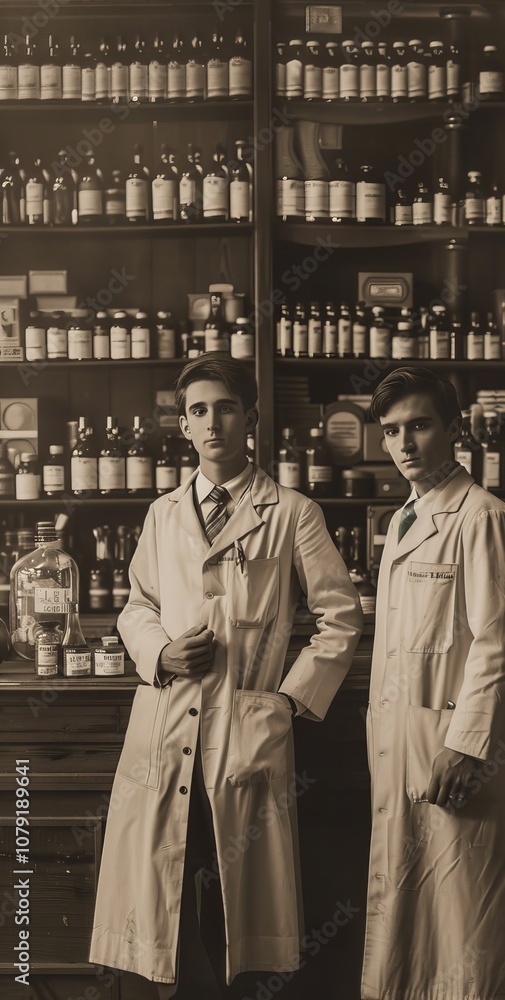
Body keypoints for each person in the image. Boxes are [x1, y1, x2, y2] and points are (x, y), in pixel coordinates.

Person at [89, 353, 363, 998]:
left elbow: (341, 617)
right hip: (167, 718)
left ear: (251, 418)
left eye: (226, 408)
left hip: (245, 728)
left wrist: (285, 703)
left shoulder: (292, 511)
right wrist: (159, 655)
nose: (213, 422)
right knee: (166, 896)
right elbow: (137, 607)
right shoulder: (163, 513)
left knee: (235, 904)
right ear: (184, 426)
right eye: (198, 411)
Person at [361, 367, 505, 1000]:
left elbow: (501, 640)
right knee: (409, 918)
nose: (405, 443)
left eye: (419, 426)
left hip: (454, 749)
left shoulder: (483, 517)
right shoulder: (403, 519)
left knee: (468, 918)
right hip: (405, 739)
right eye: (391, 431)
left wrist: (466, 743)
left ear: (454, 428)